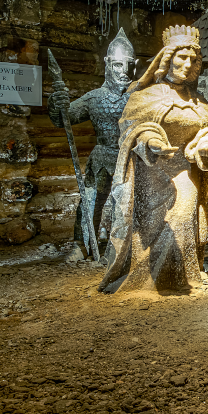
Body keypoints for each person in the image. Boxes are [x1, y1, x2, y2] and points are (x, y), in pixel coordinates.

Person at [98, 25, 208, 293]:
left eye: (193, 60)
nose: (188, 65)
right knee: (148, 230)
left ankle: (180, 278)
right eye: (182, 57)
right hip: (150, 170)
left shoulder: (199, 101)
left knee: (183, 214)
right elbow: (130, 128)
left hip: (184, 169)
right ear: (167, 58)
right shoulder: (144, 96)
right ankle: (144, 281)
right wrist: (150, 141)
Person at [49, 28, 136, 263]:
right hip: (101, 158)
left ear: (135, 65)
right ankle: (82, 244)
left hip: (130, 158)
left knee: (128, 204)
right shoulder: (95, 98)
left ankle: (124, 247)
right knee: (89, 201)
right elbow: (64, 118)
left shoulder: (140, 97)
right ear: (108, 64)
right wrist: (57, 104)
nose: (123, 71)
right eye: (117, 65)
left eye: (128, 65)